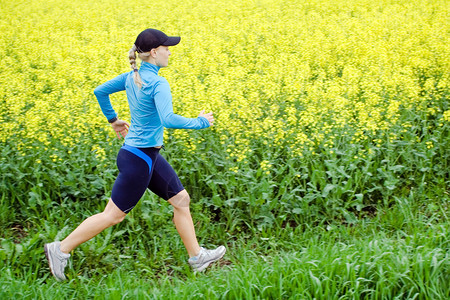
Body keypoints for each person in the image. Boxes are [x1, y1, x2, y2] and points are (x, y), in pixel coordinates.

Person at [44, 28, 226, 281]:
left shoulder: (133, 76)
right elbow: (168, 119)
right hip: (139, 160)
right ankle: (60, 249)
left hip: (144, 156)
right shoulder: (158, 82)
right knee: (113, 215)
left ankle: (197, 257)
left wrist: (113, 120)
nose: (169, 52)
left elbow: (100, 91)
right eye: (166, 48)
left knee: (181, 200)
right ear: (154, 52)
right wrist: (201, 122)